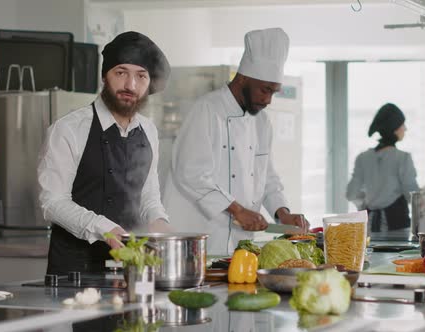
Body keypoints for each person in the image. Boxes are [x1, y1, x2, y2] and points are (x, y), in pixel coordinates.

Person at [163, 28, 309, 256]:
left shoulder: (260, 122)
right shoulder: (207, 109)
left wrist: (283, 214)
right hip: (198, 238)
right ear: (243, 78)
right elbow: (191, 173)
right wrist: (238, 210)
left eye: (274, 92)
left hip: (238, 245)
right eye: (265, 90)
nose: (268, 100)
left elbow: (267, 177)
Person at [37, 31, 171, 275]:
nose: (131, 85)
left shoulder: (148, 131)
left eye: (141, 76)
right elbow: (53, 202)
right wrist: (104, 228)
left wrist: (159, 221)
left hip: (130, 269)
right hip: (75, 271)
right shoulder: (69, 129)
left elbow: (148, 195)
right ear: (104, 76)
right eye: (121, 73)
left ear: (149, 83)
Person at [346, 103, 419, 233]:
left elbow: (351, 193)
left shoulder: (363, 157)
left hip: (369, 226)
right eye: (402, 124)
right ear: (394, 128)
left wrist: (370, 202)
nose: (405, 129)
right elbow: (413, 196)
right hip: (398, 227)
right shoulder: (403, 158)